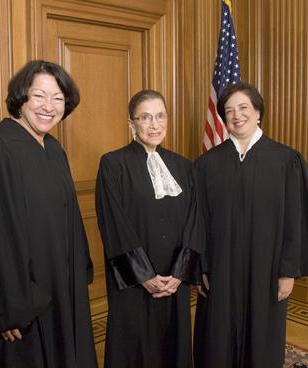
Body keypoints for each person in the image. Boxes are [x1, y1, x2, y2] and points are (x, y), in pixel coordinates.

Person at [0, 60, 97, 368]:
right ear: (20, 97)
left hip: (58, 291)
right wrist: (4, 309)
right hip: (20, 309)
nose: (48, 107)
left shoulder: (52, 149)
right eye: (39, 95)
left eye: (57, 98)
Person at [193, 81, 308, 368]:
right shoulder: (207, 165)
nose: (236, 115)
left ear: (258, 112)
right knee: (217, 341)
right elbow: (199, 220)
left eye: (243, 107)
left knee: (262, 344)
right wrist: (202, 266)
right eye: (229, 110)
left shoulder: (286, 161)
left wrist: (287, 271)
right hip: (221, 268)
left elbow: (295, 220)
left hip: (266, 271)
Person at [95, 89, 205, 368]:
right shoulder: (113, 164)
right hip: (134, 281)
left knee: (172, 345)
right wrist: (143, 275)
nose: (154, 124)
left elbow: (195, 220)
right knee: (134, 345)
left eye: (160, 116)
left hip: (173, 278)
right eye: (145, 117)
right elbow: (114, 224)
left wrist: (179, 274)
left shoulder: (183, 166)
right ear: (131, 123)